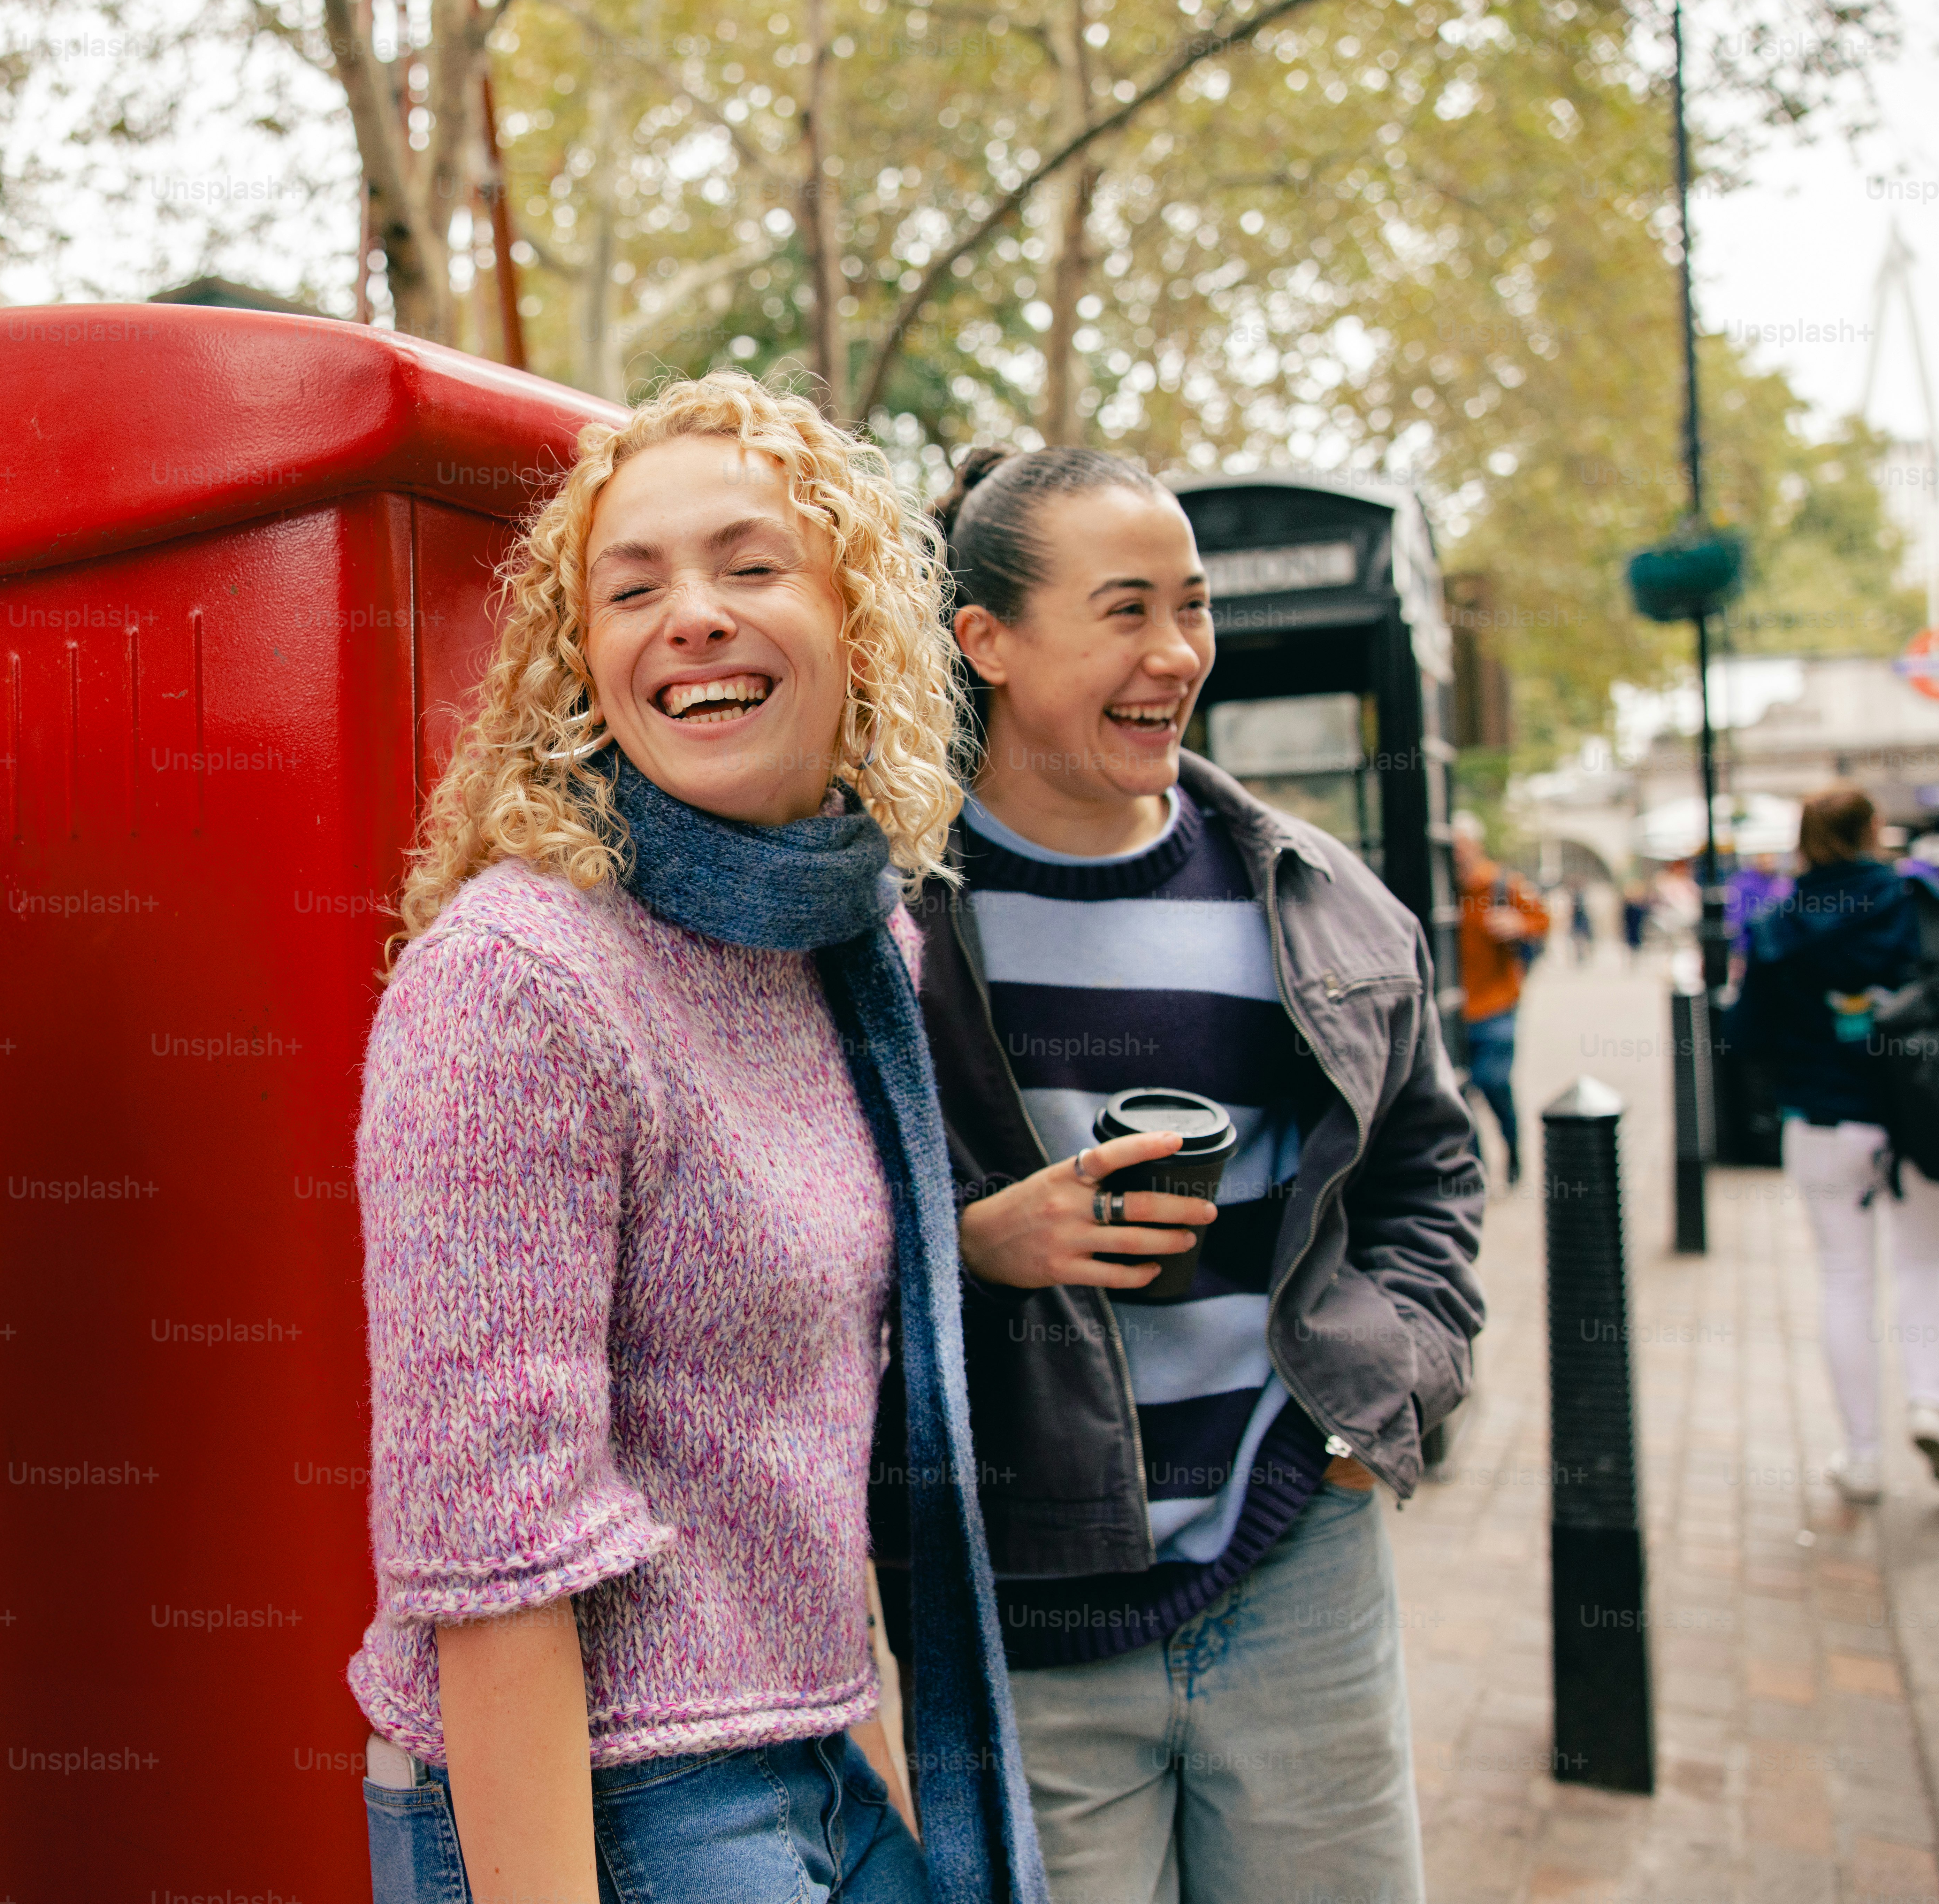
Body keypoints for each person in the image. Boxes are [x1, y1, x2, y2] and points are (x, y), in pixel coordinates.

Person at [349, 372, 1042, 1904]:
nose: (694, 615)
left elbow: (793, 1364)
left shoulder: (845, 947)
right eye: (634, 585)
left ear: (854, 621)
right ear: (583, 662)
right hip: (588, 1793)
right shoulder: (525, 983)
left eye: (748, 564)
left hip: (798, 1744)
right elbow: (489, 1554)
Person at [876, 443, 1485, 1904]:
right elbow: (783, 1229)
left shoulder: (1317, 895)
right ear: (990, 642)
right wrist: (969, 1241)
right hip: (1018, 1600)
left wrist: (1382, 1388)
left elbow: (1428, 1169)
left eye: (1193, 609)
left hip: (1296, 1557)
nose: (1176, 655)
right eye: (1128, 610)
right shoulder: (882, 927)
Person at [1731, 783, 1939, 1505]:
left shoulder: (1777, 922)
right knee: (1923, 1266)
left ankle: (1863, 1456)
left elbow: (1746, 1035)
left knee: (1847, 1280)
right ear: (1873, 828)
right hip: (1919, 1114)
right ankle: (1929, 1401)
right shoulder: (1913, 900)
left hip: (1824, 1121)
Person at [1451, 812, 1549, 1185]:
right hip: (1454, 1008)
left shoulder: (1500, 883)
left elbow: (1542, 920)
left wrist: (1518, 925)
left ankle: (1512, 1151)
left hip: (1496, 1003)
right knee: (1459, 1093)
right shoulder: (1440, 886)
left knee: (1492, 1082)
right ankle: (1475, 1167)